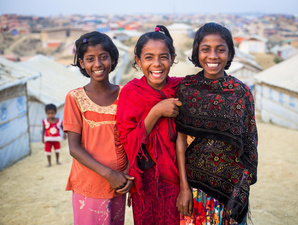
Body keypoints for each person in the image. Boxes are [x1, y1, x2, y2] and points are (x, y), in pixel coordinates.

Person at [175, 22, 258, 225]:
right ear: (197, 52)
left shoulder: (241, 92)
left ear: (229, 54)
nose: (213, 56)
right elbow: (180, 141)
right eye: (206, 49)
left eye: (220, 50)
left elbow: (249, 143)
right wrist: (184, 188)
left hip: (231, 189)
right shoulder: (186, 89)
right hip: (194, 188)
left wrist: (239, 192)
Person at [63, 31, 134, 225]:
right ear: (81, 63)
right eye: (90, 59)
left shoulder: (125, 94)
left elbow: (131, 139)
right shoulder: (75, 98)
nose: (97, 64)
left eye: (103, 57)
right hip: (89, 185)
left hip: (120, 184)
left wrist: (125, 175)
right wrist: (109, 175)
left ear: (113, 58)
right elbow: (74, 148)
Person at [116, 25, 183, 225]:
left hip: (177, 178)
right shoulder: (131, 92)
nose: (157, 64)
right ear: (138, 61)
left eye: (163, 56)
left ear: (172, 58)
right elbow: (126, 141)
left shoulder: (181, 88)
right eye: (148, 57)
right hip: (144, 180)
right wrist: (155, 112)